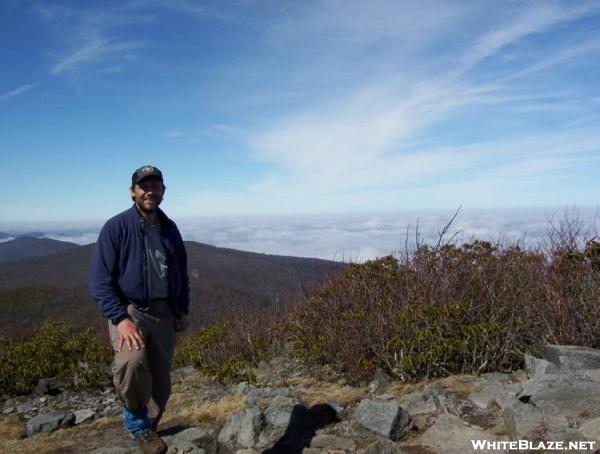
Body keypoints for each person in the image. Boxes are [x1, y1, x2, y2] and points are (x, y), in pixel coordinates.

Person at [90, 165, 190, 454]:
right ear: (133, 191)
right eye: (144, 186)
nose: (150, 190)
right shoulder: (116, 227)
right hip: (129, 310)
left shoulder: (170, 229)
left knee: (162, 383)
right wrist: (120, 319)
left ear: (163, 191)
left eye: (155, 185)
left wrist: (182, 308)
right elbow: (99, 280)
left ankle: (149, 427)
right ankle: (136, 425)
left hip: (164, 311)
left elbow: (180, 272)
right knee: (131, 363)